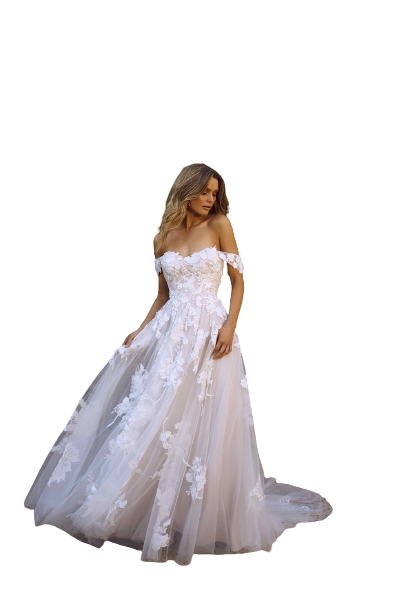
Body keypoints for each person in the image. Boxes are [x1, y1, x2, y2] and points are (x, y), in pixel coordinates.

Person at [24, 163, 332, 566]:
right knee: (155, 414)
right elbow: (162, 296)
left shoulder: (220, 225)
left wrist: (229, 326)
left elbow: (239, 281)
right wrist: (139, 330)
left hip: (209, 333)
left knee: (203, 417)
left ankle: (197, 512)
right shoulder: (162, 237)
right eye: (204, 191)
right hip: (170, 333)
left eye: (214, 192)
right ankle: (141, 502)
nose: (210, 198)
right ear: (186, 190)